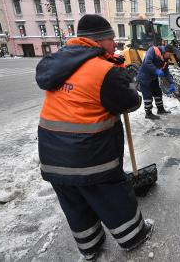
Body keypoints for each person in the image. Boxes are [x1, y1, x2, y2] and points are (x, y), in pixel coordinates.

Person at [35, 14, 153, 260]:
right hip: (91, 158)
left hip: (52, 157)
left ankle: (90, 248)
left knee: (75, 205)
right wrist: (121, 76)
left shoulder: (59, 64)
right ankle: (134, 236)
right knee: (113, 198)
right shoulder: (104, 71)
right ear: (100, 41)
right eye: (111, 40)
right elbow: (132, 102)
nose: (115, 45)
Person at [137, 44, 175, 120]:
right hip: (144, 77)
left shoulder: (165, 60)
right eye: (169, 54)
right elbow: (147, 62)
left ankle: (160, 109)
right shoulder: (153, 50)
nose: (170, 56)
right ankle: (148, 113)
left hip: (153, 77)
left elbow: (166, 72)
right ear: (165, 51)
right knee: (148, 95)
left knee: (158, 92)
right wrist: (156, 70)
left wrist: (171, 83)